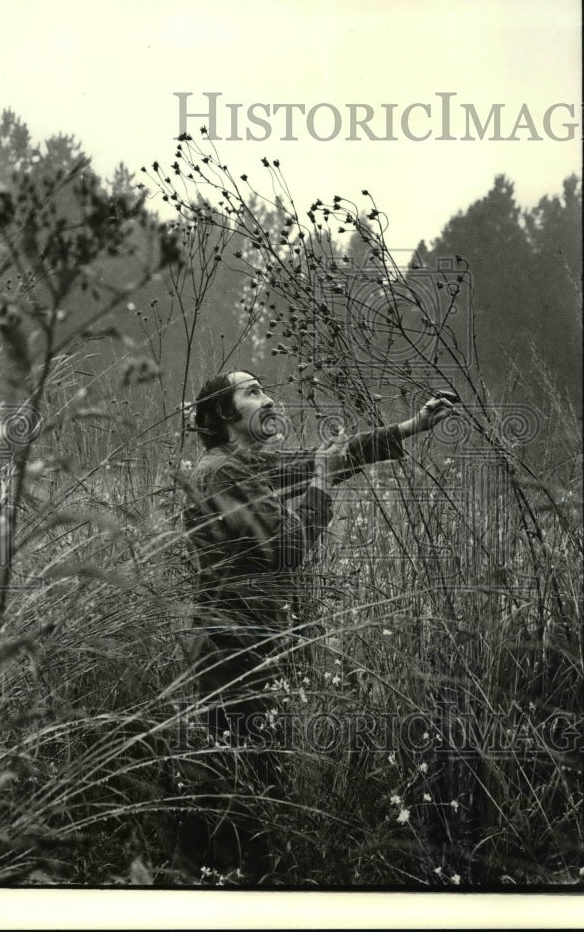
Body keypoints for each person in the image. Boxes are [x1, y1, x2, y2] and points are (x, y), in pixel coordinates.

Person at [178, 370, 452, 878]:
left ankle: (243, 873)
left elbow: (316, 461)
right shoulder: (222, 474)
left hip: (252, 641)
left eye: (265, 387)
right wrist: (323, 482)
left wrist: (412, 425)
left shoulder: (244, 466)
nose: (269, 397)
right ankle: (230, 882)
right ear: (222, 414)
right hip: (234, 646)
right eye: (252, 391)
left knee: (256, 771)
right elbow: (288, 548)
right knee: (244, 779)